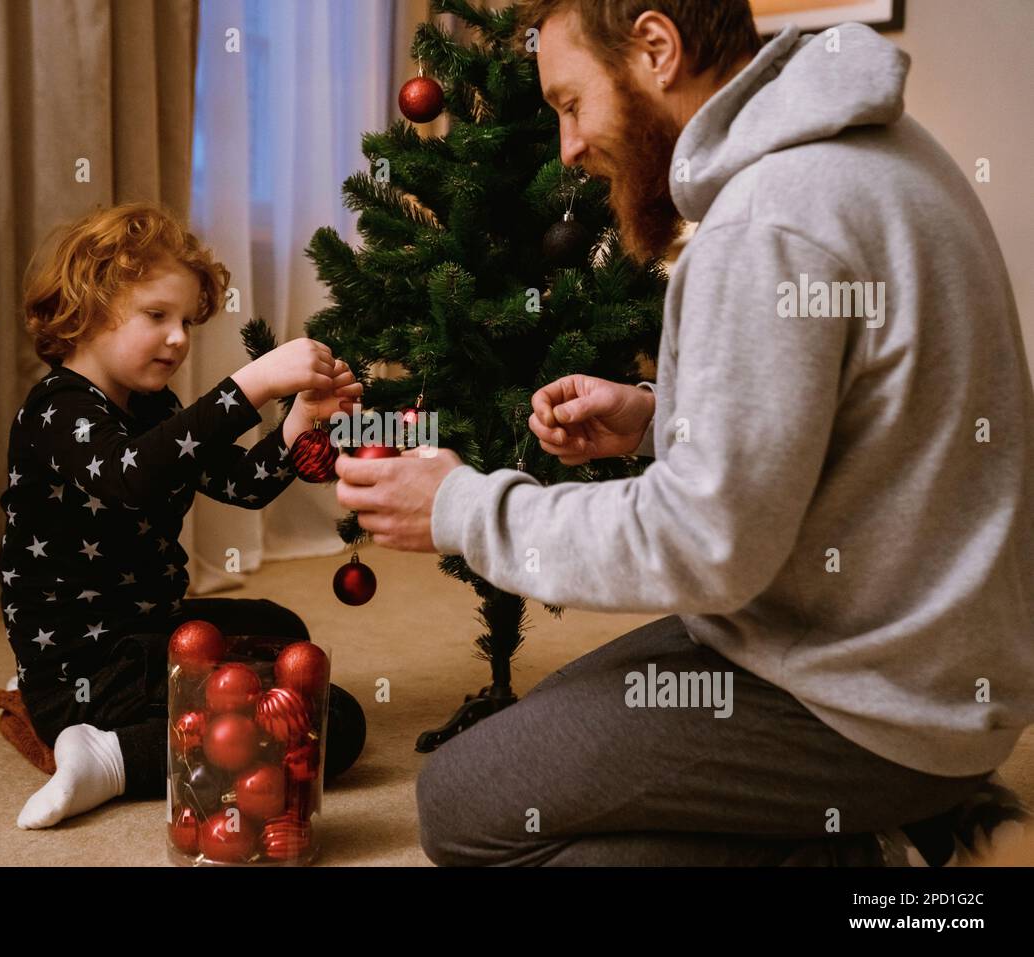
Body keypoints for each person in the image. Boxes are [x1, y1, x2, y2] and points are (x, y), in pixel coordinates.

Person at [334, 0, 1034, 865]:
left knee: (467, 808)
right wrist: (660, 417)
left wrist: (462, 508)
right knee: (560, 784)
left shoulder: (766, 221)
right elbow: (860, 426)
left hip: (866, 697)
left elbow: (706, 545)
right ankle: (928, 816)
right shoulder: (880, 149)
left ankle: (888, 861)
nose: (568, 148)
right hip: (913, 661)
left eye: (570, 103)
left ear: (656, 48)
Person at [0, 201, 363, 828]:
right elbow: (132, 475)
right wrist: (253, 382)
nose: (178, 337)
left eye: (187, 321)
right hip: (86, 664)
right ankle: (108, 757)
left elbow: (246, 485)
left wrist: (301, 418)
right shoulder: (56, 411)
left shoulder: (152, 407)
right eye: (156, 315)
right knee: (333, 721)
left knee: (284, 629)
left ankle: (122, 724)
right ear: (88, 310)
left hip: (147, 629)